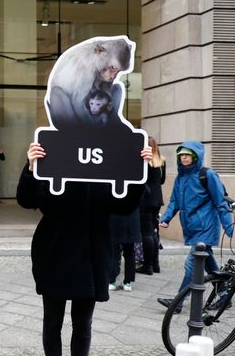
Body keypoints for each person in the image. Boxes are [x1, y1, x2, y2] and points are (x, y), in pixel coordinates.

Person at [17, 142, 152, 356]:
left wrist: (138, 171)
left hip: (92, 254)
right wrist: (31, 168)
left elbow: (125, 205)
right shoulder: (55, 156)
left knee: (82, 323)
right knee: (52, 321)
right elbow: (26, 200)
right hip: (55, 252)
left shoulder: (103, 163)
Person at [157, 141, 233, 311]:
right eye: (181, 155)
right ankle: (225, 296)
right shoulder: (180, 177)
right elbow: (175, 201)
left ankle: (178, 302)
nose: (184, 157)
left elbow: (220, 201)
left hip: (206, 227)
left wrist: (228, 227)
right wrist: (167, 218)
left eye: (187, 154)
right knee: (209, 264)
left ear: (196, 156)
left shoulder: (208, 174)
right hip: (191, 227)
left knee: (191, 264)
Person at [137, 136, 165, 275]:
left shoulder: (143, 160)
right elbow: (162, 180)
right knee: (153, 232)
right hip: (157, 199)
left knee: (146, 233)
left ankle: (147, 266)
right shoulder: (160, 160)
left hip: (146, 200)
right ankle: (155, 265)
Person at [108, 207, 141, 292]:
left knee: (114, 252)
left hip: (115, 218)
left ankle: (112, 281)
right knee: (129, 252)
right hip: (131, 219)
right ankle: (127, 282)